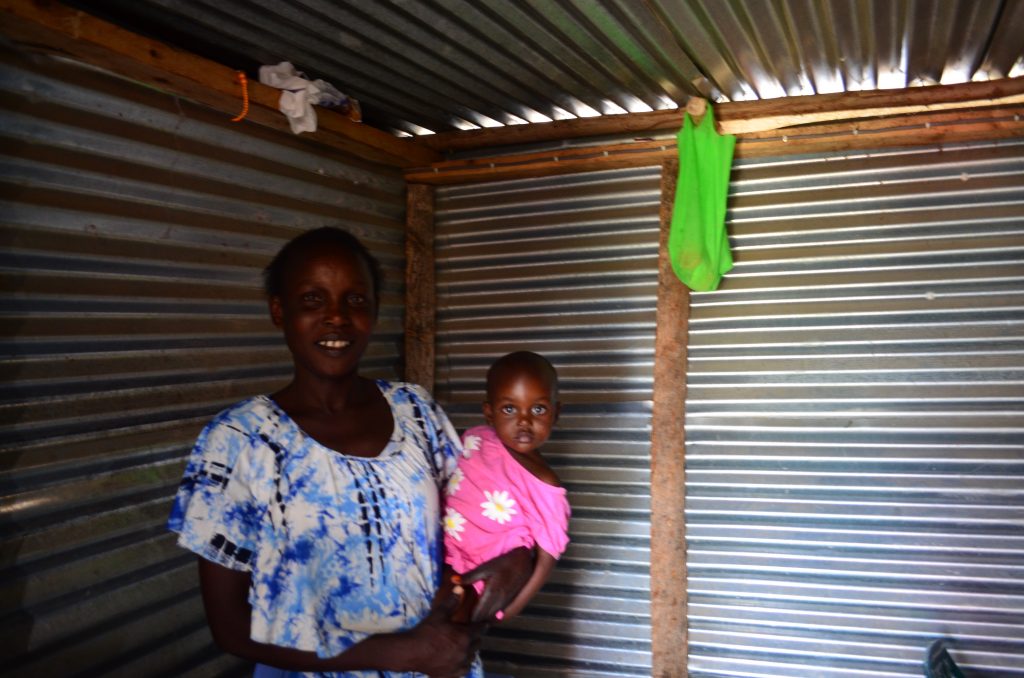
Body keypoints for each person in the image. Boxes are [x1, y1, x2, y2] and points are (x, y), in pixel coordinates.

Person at [167, 227, 531, 678]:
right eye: (313, 300)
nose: (337, 317)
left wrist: (519, 556)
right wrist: (402, 654)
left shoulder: (415, 411)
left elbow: (479, 521)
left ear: (375, 311)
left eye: (355, 300)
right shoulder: (240, 440)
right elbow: (230, 628)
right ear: (279, 311)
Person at [440, 351, 571, 623]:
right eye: (509, 409)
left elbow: (548, 557)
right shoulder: (476, 439)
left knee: (449, 639)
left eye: (538, 409)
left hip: (483, 583)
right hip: (439, 559)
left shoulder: (546, 485)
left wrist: (513, 608)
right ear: (489, 413)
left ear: (556, 413)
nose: (524, 421)